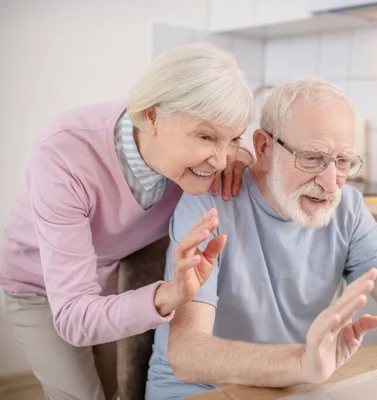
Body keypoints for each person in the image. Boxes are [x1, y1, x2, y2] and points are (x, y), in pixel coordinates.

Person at [145, 78, 377, 400]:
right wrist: (301, 363)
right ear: (263, 148)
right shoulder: (208, 201)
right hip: (199, 392)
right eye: (312, 158)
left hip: (293, 386)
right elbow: (188, 355)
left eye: (343, 162)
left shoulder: (348, 208)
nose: (329, 184)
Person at [0, 43, 256, 400]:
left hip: (107, 275)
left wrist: (242, 153)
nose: (219, 159)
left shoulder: (194, 157)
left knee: (114, 391)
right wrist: (167, 295)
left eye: (233, 137)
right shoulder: (66, 152)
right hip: (35, 283)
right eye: (205, 136)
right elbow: (74, 316)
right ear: (151, 117)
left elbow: (240, 151)